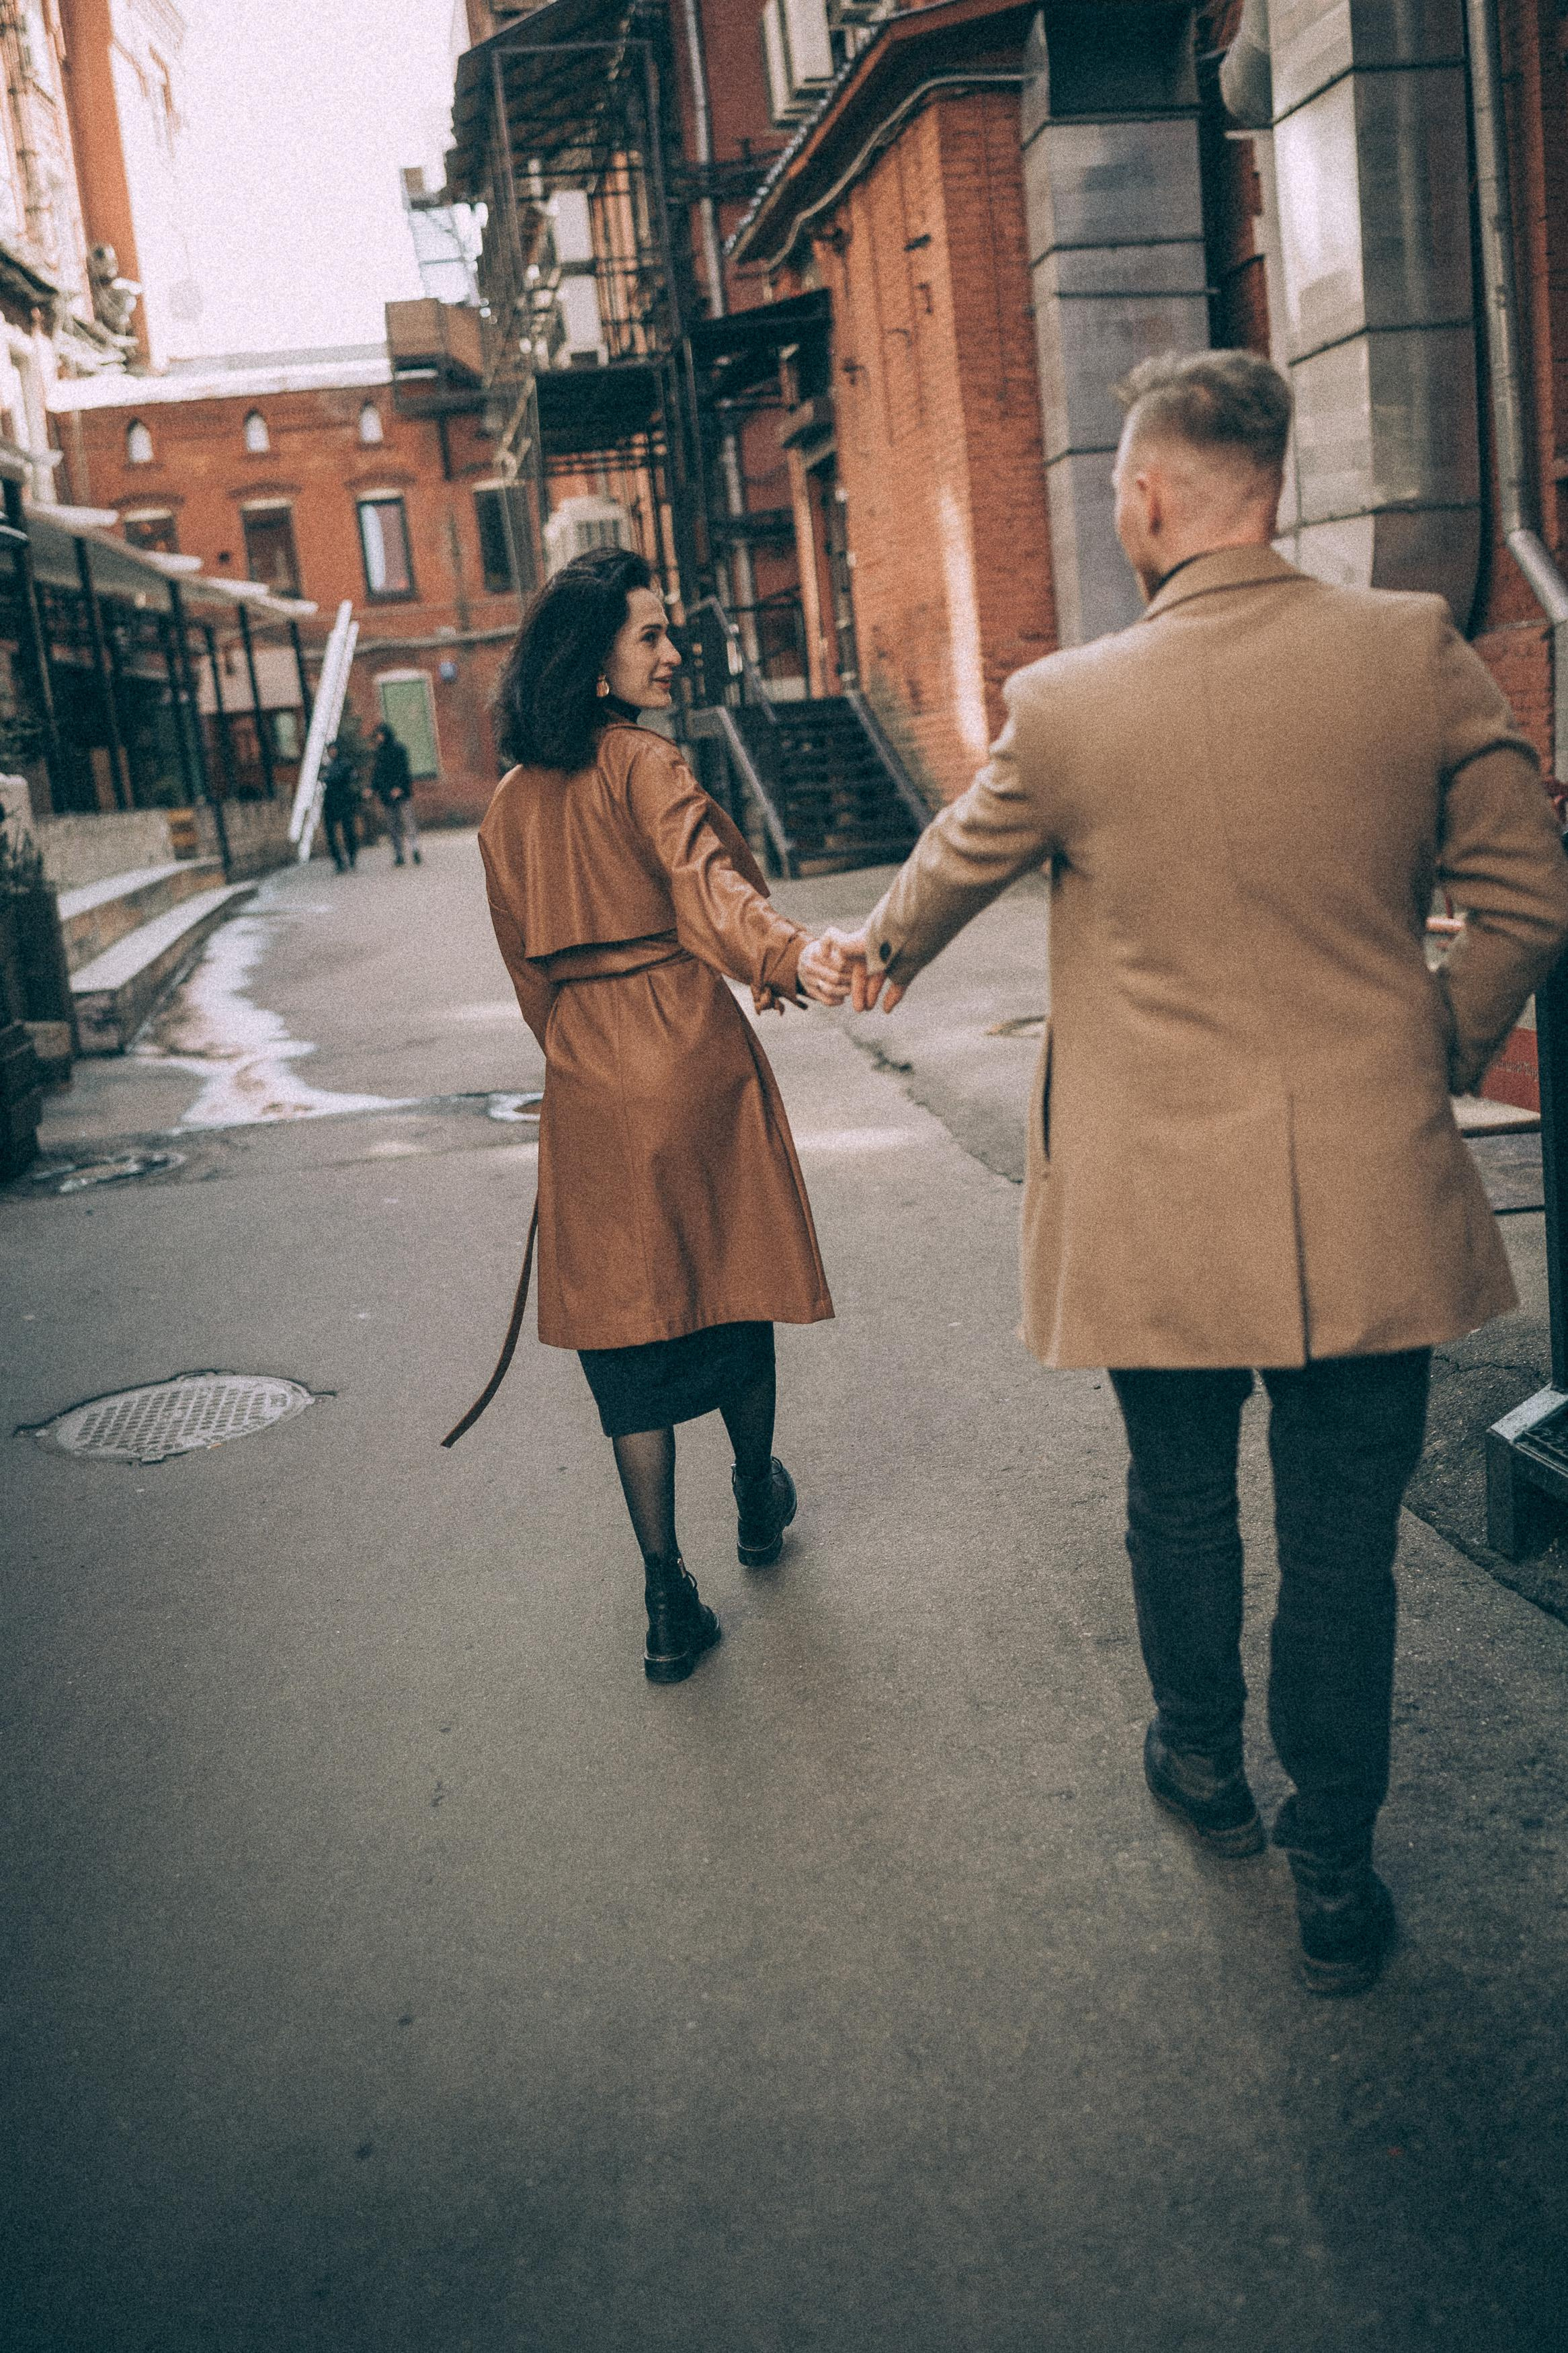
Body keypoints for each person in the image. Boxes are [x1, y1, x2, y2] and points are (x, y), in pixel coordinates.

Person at [827, 348, 1568, 1995]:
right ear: (1274, 487)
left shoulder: (1067, 705)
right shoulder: (1414, 656)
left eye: (1115, 491)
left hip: (1155, 1205)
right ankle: (1335, 1861)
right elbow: (1527, 903)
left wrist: (837, 961)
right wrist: (1429, 1049)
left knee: (1176, 1499)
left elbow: (923, 907)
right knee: (1338, 1544)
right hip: (1367, 1193)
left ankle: (1204, 1764)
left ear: (1150, 495)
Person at [446, 546, 850, 1684]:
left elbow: (526, 975)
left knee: (627, 1331)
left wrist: (583, 1065)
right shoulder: (645, 764)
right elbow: (705, 891)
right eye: (651, 637)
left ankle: (665, 1597)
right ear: (592, 665)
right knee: (732, 1282)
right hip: (687, 1045)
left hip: (584, 1073)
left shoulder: (508, 809)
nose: (674, 653)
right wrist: (787, 955)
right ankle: (756, 1503)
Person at [371, 723, 420, 865]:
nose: (379, 738)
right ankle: (399, 854)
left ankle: (414, 848)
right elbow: (378, 774)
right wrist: (374, 788)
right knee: (393, 826)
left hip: (402, 793)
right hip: (387, 795)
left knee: (408, 822)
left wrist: (399, 787)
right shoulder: (379, 753)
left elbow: (404, 770)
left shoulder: (399, 750)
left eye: (381, 735)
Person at [319, 739, 360, 873]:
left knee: (349, 832)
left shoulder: (345, 764)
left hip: (344, 803)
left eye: (334, 749)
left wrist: (330, 778)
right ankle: (339, 861)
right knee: (331, 834)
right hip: (331, 804)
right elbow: (323, 778)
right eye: (330, 750)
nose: (332, 752)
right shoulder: (327, 766)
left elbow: (346, 777)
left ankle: (351, 857)